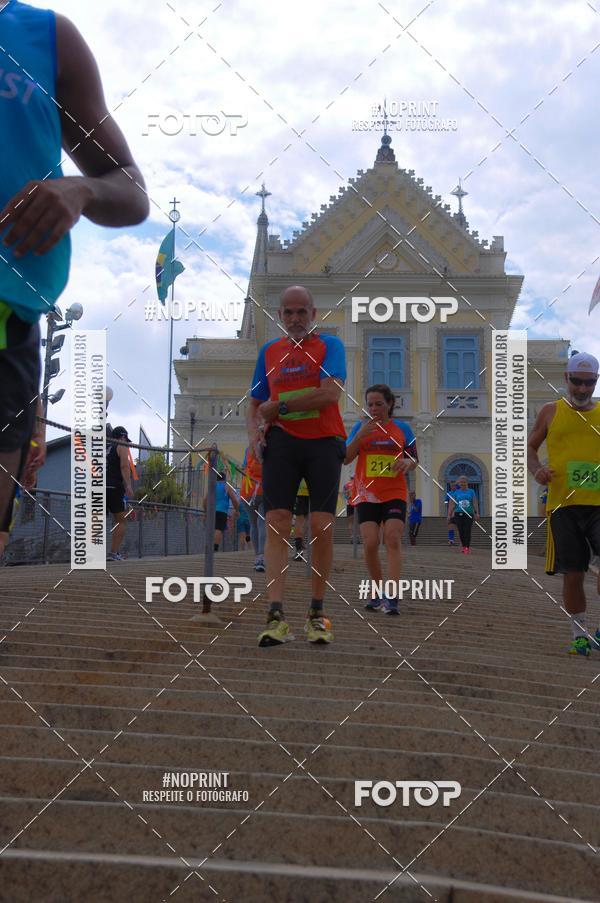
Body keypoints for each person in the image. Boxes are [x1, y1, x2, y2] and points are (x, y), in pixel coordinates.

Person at [0, 3, 148, 549]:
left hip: (7, 319)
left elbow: (129, 187)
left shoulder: (48, 36)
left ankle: (98, 552)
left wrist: (78, 189)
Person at [247, 285, 347, 646]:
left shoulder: (330, 346)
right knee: (276, 520)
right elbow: (255, 403)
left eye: (301, 312)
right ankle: (275, 615)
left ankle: (317, 613)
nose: (295, 319)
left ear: (313, 314)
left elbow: (330, 393)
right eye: (288, 312)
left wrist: (281, 408)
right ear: (279, 316)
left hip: (324, 441)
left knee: (321, 525)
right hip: (282, 443)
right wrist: (253, 436)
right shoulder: (269, 352)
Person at [527, 351, 600, 656]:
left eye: (589, 382)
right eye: (577, 381)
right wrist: (537, 471)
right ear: (566, 378)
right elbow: (531, 447)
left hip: (598, 504)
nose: (582, 389)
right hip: (562, 506)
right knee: (574, 573)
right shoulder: (550, 411)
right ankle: (580, 634)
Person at [345, 384, 418, 615]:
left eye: (379, 404)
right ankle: (376, 591)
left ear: (390, 404)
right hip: (366, 492)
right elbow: (346, 458)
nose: (374, 408)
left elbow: (414, 459)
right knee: (370, 543)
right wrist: (359, 436)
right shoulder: (360, 427)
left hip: (394, 491)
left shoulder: (403, 428)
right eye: (370, 404)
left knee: (393, 538)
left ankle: (392, 596)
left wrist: (407, 462)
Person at [106, 427, 133, 561]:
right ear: (122, 437)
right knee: (121, 520)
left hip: (97, 485)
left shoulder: (103, 447)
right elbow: (124, 466)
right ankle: (113, 553)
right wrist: (128, 485)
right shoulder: (121, 446)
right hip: (114, 487)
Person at [241, 445, 265, 572]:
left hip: (248, 489)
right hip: (264, 488)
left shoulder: (249, 449)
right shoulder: (271, 446)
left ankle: (256, 557)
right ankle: (262, 557)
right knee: (262, 522)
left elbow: (244, 467)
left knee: (253, 524)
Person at [204, 472, 239, 552]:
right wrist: (237, 510)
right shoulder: (226, 487)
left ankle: (208, 546)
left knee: (212, 529)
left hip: (211, 511)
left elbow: (205, 500)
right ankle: (214, 549)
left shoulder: (212, 486)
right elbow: (234, 500)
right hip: (222, 511)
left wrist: (206, 511)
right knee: (218, 529)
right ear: (224, 479)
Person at [447, 475, 479, 554]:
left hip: (469, 513)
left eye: (464, 482)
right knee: (461, 531)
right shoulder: (456, 492)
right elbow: (452, 504)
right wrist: (449, 515)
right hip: (458, 513)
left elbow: (474, 502)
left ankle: (467, 547)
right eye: (461, 482)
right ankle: (464, 546)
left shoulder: (471, 491)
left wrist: (476, 513)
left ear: (467, 482)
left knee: (467, 531)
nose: (463, 483)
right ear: (459, 483)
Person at [292, 478, 309, 560]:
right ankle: (302, 542)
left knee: (299, 520)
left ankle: (299, 551)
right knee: (308, 519)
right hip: (313, 490)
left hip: (299, 491)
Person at [343, 475, 357, 540]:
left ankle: (351, 536)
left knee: (350, 522)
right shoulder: (357, 484)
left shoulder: (346, 485)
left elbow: (345, 496)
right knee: (357, 521)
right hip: (356, 504)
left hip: (349, 504)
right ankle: (356, 536)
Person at [446, 481, 457, 545]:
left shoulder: (458, 493)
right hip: (451, 512)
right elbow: (446, 501)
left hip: (457, 512)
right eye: (451, 486)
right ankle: (451, 540)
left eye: (454, 486)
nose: (453, 487)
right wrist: (447, 503)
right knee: (450, 526)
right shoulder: (449, 493)